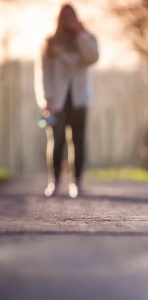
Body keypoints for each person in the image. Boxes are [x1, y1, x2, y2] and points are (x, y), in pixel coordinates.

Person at [35, 3, 99, 198]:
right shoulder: (50, 42)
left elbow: (93, 57)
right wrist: (46, 99)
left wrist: (80, 33)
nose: (69, 20)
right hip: (57, 100)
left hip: (79, 98)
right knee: (57, 141)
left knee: (78, 141)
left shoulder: (87, 39)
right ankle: (54, 182)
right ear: (59, 19)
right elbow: (43, 73)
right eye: (65, 17)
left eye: (72, 17)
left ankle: (77, 182)